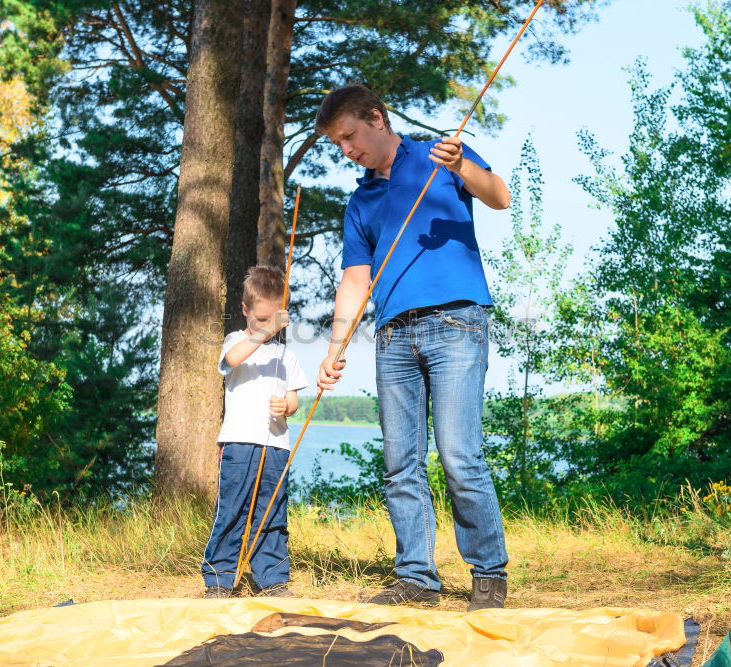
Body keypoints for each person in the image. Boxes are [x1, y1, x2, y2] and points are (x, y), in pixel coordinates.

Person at [315, 84, 511, 611]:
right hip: (392, 336)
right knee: (400, 462)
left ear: (376, 118)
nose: (347, 150)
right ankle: (417, 579)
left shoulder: (438, 154)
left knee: (458, 454)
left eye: (350, 136)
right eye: (338, 144)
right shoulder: (361, 201)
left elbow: (499, 195)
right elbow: (356, 280)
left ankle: (488, 575)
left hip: (457, 322)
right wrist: (336, 348)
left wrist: (464, 168)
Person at [202, 265, 308, 598]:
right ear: (245, 310)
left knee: (272, 512)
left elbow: (293, 398)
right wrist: (263, 332)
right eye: (260, 319)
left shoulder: (285, 355)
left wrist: (286, 406)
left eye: (272, 319)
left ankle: (272, 579)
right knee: (231, 510)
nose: (266, 326)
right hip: (239, 443)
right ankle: (219, 579)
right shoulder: (237, 340)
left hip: (275, 446)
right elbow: (233, 358)